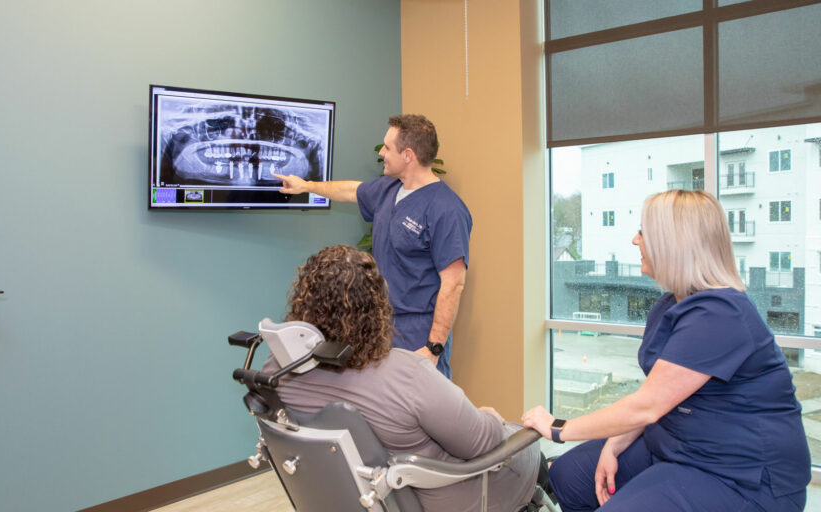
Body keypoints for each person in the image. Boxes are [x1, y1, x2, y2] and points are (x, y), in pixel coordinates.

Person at [521, 189, 811, 512]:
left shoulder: (721, 314)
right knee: (567, 476)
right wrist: (614, 444)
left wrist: (558, 428)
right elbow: (658, 397)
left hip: (741, 476)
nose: (635, 240)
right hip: (677, 445)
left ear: (673, 243)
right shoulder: (672, 305)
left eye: (644, 232)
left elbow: (646, 406)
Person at [263, 244, 538, 512]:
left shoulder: (278, 372)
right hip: (448, 497)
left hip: (353, 499)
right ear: (376, 307)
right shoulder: (405, 374)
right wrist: (491, 417)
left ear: (304, 303)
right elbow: (483, 443)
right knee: (529, 448)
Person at [273, 114, 471, 378]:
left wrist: (433, 348)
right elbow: (350, 190)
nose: (382, 152)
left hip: (418, 331)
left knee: (420, 415)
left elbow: (453, 284)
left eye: (387, 147)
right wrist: (306, 186)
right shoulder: (389, 189)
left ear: (408, 155)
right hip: (380, 326)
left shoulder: (446, 209)